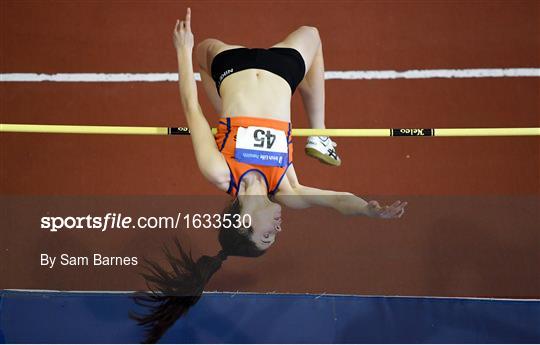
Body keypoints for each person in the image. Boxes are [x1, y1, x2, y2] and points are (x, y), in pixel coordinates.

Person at [131, 8, 407, 342]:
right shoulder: (287, 187)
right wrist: (367, 209)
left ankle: (312, 132)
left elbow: (192, 108)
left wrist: (183, 51)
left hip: (230, 66)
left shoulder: (220, 172)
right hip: (282, 69)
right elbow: (336, 201)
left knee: (203, 51)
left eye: (267, 236)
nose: (278, 230)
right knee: (312, 33)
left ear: (244, 224)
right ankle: (318, 132)